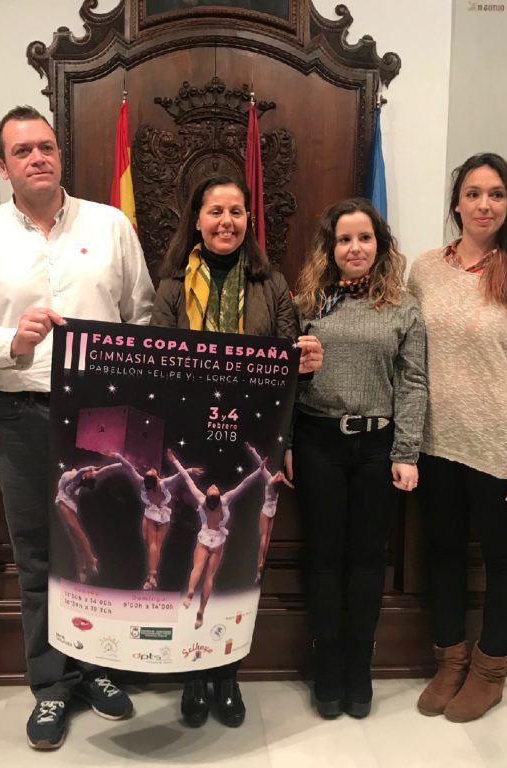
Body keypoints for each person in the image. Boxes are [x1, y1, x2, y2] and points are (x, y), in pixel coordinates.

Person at [0, 105, 154, 750]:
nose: (38, 157)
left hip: (102, 418)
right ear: (2, 165)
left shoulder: (110, 224)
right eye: (22, 151)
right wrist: (13, 340)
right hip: (21, 415)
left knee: (105, 546)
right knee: (37, 555)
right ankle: (52, 685)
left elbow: (143, 314)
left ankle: (99, 668)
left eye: (46, 147)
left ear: (60, 155)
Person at [151, 174, 323, 728]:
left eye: (237, 211)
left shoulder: (271, 284)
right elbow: (156, 363)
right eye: (215, 211)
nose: (227, 221)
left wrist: (304, 363)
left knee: (242, 560)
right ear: (197, 220)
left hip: (253, 440)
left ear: (249, 220)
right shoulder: (173, 284)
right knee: (188, 556)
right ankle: (191, 674)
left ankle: (227, 673)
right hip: (191, 441)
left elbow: (289, 371)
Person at [409, 153, 507, 723]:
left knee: (502, 558)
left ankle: (489, 671)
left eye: (496, 194)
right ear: (457, 203)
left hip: (498, 448)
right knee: (442, 553)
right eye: (473, 193)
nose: (484, 204)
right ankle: (450, 661)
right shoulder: (425, 269)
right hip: (434, 443)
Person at [286, 198, 428, 719]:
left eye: (364, 238)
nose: (354, 248)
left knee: (369, 559)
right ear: (330, 247)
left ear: (380, 245)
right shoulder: (307, 303)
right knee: (325, 555)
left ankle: (358, 663)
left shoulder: (403, 307)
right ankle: (327, 660)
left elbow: (413, 383)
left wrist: (406, 451)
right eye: (344, 239)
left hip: (377, 447)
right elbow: (284, 379)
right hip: (318, 441)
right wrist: (285, 443)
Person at [167, 446, 263, 629]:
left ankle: (190, 592)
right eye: (213, 488)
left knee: (198, 567)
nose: (213, 486)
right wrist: (260, 470)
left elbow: (187, 479)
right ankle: (200, 611)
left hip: (205, 538)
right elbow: (244, 484)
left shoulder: (201, 499)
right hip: (217, 539)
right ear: (218, 497)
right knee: (208, 576)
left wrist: (175, 461)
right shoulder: (225, 500)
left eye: (212, 488)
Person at [106, 450, 203, 590]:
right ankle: (151, 576)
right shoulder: (159, 483)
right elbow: (179, 476)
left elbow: (129, 467)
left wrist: (117, 455)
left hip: (155, 515)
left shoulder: (148, 482)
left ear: (156, 477)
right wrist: (190, 470)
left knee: (153, 544)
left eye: (152, 471)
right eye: (150, 471)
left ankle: (151, 576)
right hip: (160, 516)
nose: (151, 470)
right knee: (152, 545)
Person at [55, 462, 122, 583]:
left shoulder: (86, 475)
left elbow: (106, 469)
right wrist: (90, 468)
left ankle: (85, 566)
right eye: (91, 473)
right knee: (77, 533)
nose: (94, 473)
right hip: (63, 502)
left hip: (70, 505)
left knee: (77, 536)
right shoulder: (71, 475)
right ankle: (89, 561)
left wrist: (120, 463)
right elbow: (80, 473)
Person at [254, 462, 285, 585]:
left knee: (264, 538)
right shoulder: (277, 485)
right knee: (267, 539)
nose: (279, 473)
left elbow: (262, 467)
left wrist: (253, 452)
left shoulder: (270, 480)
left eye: (280, 474)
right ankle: (263, 566)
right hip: (273, 511)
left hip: (266, 511)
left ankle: (260, 566)